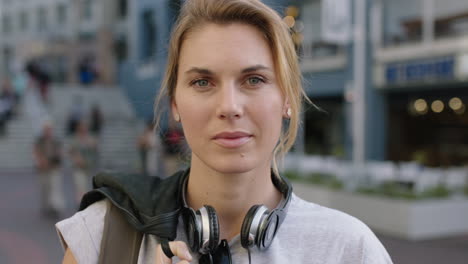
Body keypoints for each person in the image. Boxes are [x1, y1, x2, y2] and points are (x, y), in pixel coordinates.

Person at [57, 0, 393, 263]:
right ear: (175, 103)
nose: (229, 106)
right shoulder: (104, 232)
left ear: (288, 99)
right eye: (202, 82)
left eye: (254, 80)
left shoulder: (349, 249)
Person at [34, 121, 65, 218]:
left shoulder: (56, 141)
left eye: (49, 129)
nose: (48, 131)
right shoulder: (39, 141)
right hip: (43, 169)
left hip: (54, 168)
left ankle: (55, 207)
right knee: (45, 188)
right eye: (46, 129)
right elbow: (36, 152)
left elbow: (60, 153)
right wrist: (40, 161)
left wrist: (54, 160)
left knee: (55, 188)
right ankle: (46, 206)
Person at [69, 120, 98, 205]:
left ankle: (87, 202)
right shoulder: (74, 139)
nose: (84, 129)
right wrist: (76, 159)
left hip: (89, 166)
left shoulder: (91, 138)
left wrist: (93, 145)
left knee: (88, 186)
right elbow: (71, 151)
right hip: (78, 167)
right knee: (80, 186)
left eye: (85, 127)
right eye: (82, 127)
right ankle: (81, 204)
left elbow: (95, 151)